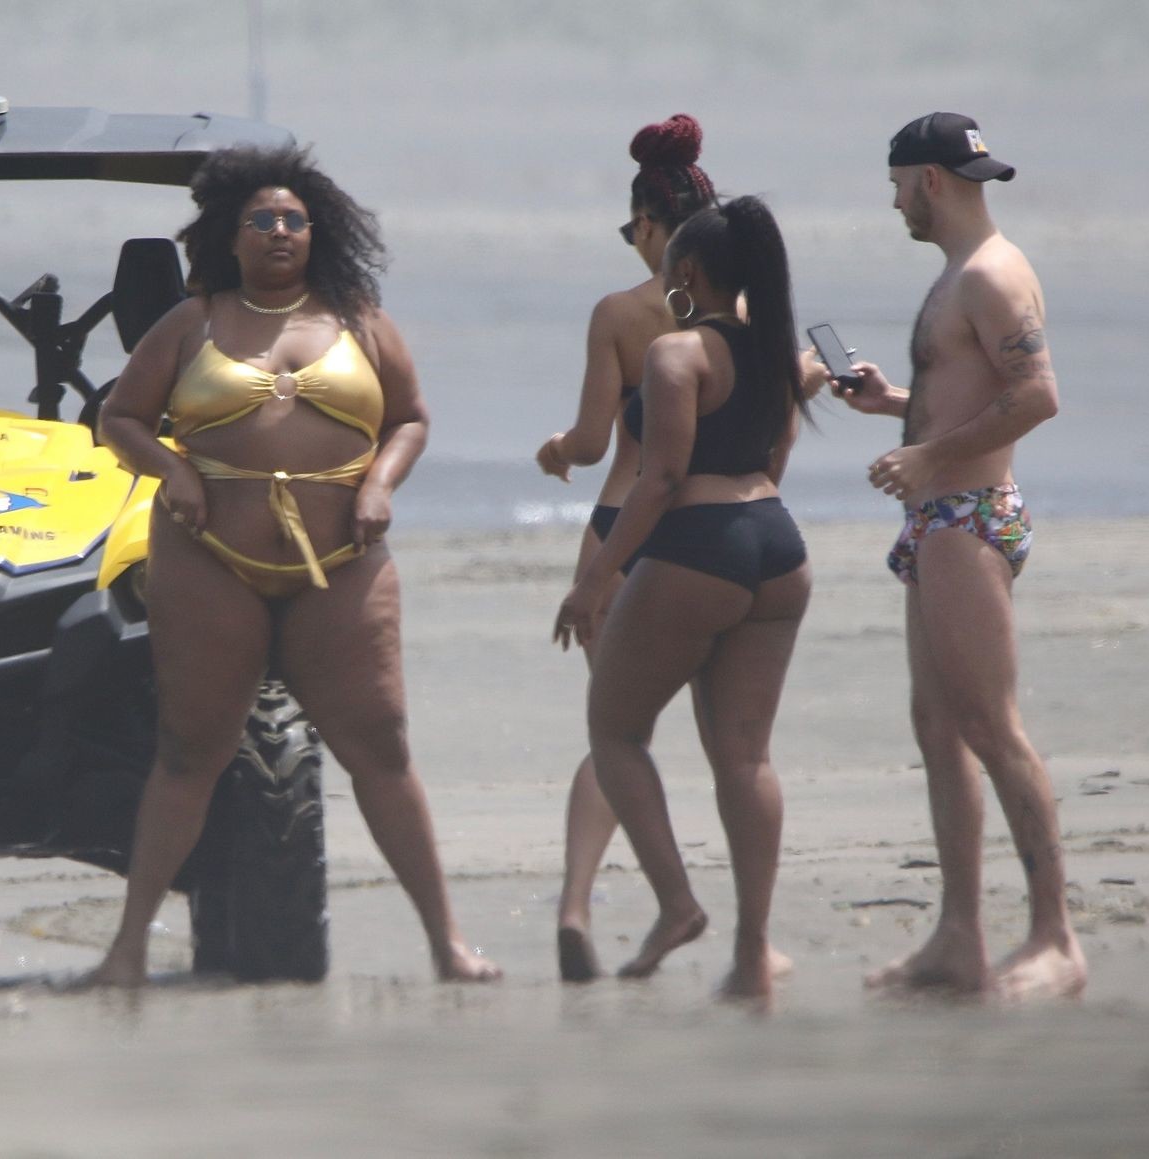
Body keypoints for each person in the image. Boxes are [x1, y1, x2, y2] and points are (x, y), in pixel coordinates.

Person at [87, 146, 500, 986]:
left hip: (342, 562)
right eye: (262, 221)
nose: (279, 232)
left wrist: (379, 484)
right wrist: (173, 472)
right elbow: (118, 418)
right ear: (229, 236)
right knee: (189, 750)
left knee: (381, 745)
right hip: (209, 559)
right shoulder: (191, 322)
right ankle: (127, 948)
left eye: (293, 220)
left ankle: (448, 944)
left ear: (317, 232)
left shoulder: (361, 320)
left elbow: (411, 419)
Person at [837, 114, 1085, 1000]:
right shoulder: (961, 273)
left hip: (968, 518)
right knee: (938, 726)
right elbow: (972, 390)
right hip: (937, 516)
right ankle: (959, 935)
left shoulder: (989, 275)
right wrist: (894, 405)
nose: (894, 202)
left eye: (897, 185)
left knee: (991, 726)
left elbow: (1038, 395)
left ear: (930, 181)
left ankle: (1056, 937)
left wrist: (929, 456)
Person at [553, 195, 811, 1003]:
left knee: (615, 728)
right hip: (779, 546)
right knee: (746, 758)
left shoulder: (677, 354)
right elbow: (776, 451)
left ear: (687, 272)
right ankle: (753, 953)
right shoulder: (778, 352)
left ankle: (676, 904)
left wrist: (594, 580)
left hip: (699, 547)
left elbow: (660, 478)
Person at [535, 113, 718, 982]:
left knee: (614, 729)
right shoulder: (740, 311)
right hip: (708, 531)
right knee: (729, 739)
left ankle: (576, 906)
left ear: (648, 223)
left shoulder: (620, 313)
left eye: (630, 228)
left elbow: (590, 440)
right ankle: (750, 931)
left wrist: (553, 451)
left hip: (618, 529)